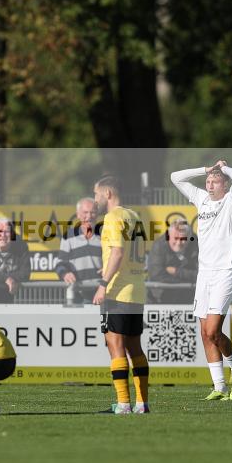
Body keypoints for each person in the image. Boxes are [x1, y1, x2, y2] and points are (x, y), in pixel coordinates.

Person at [170, 161, 232, 401]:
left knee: (213, 330)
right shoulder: (201, 198)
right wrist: (205, 170)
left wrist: (223, 169)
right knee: (205, 333)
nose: (210, 185)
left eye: (215, 181)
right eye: (208, 182)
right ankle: (219, 386)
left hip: (226, 272)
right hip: (204, 274)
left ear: (225, 185)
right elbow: (175, 176)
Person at [91, 175, 149, 414]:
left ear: (107, 194)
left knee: (115, 345)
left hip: (117, 290)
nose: (95, 199)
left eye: (96, 194)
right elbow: (130, 253)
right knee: (135, 347)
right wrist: (107, 267)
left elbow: (117, 252)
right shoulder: (134, 216)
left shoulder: (112, 217)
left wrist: (103, 283)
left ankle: (123, 404)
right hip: (136, 290)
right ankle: (142, 404)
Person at [54, 197, 103, 304]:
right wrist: (65, 274)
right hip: (78, 295)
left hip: (101, 294)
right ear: (78, 215)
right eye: (85, 212)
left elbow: (115, 260)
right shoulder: (68, 235)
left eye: (93, 212)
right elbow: (60, 264)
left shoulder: (105, 234)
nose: (89, 216)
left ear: (97, 214)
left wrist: (108, 268)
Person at [147, 218, 198, 304]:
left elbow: (202, 275)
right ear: (169, 236)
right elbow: (156, 275)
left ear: (190, 237)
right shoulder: (159, 245)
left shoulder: (196, 245)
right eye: (176, 238)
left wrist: (176, 271)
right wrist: (186, 280)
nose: (178, 243)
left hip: (189, 298)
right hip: (160, 299)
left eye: (183, 239)